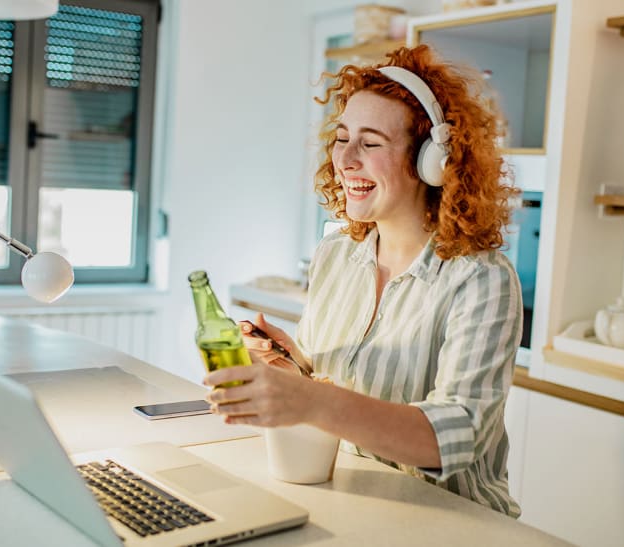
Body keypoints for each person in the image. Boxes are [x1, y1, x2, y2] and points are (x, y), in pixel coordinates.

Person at [204, 44, 523, 517]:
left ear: (430, 161)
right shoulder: (335, 254)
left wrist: (313, 400)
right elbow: (328, 385)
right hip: (354, 499)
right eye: (342, 137)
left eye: (371, 143)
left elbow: (458, 434)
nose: (346, 160)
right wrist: (290, 368)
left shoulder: (481, 280)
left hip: (451, 522)